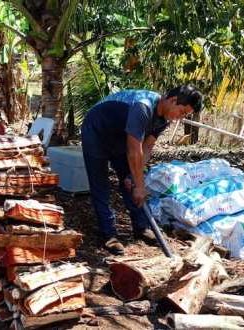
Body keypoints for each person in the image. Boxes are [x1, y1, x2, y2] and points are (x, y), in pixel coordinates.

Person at [81, 85, 203, 255]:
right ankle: (108, 234)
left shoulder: (163, 118)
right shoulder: (143, 107)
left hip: (119, 135)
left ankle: (141, 227)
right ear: (173, 100)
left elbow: (147, 147)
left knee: (132, 180)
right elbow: (133, 151)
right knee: (100, 183)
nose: (180, 118)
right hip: (96, 130)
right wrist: (139, 186)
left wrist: (135, 178)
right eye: (182, 112)